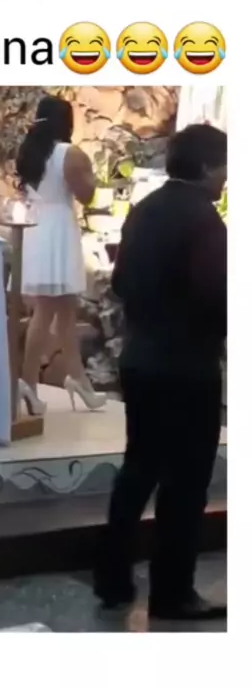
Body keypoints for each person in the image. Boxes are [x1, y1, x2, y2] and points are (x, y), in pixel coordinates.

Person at [94, 123, 227, 621]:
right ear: (206, 166)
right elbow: (215, 294)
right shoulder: (204, 220)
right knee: (186, 483)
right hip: (187, 366)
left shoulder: (144, 209)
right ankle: (173, 592)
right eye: (224, 165)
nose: (226, 177)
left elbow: (121, 282)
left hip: (141, 359)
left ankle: (112, 577)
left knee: (138, 471)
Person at [15, 95, 106, 416]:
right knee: (46, 310)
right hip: (58, 229)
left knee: (66, 311)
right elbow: (87, 194)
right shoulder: (70, 154)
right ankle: (27, 380)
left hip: (37, 226)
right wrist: (93, 175)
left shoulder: (30, 153)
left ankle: (79, 379)